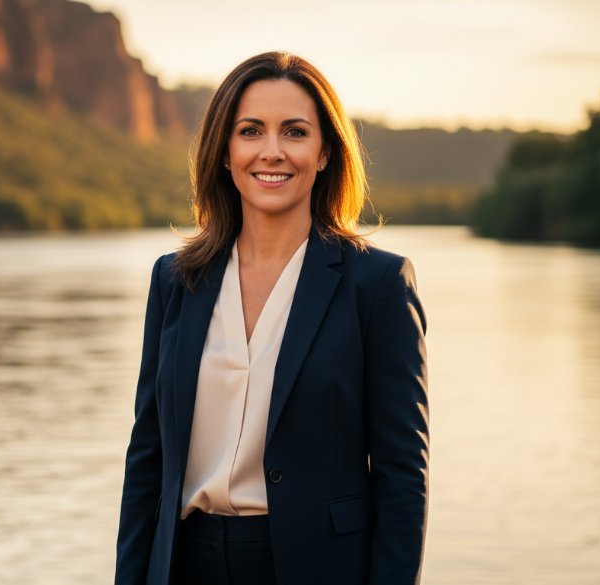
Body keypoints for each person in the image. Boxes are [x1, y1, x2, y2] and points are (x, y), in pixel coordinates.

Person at [115, 51, 429, 585]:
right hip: (185, 564)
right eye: (251, 130)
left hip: (317, 568)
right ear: (224, 150)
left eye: (295, 132)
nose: (272, 152)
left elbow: (402, 477)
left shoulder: (376, 285)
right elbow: (147, 459)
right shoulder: (174, 280)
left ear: (325, 152)